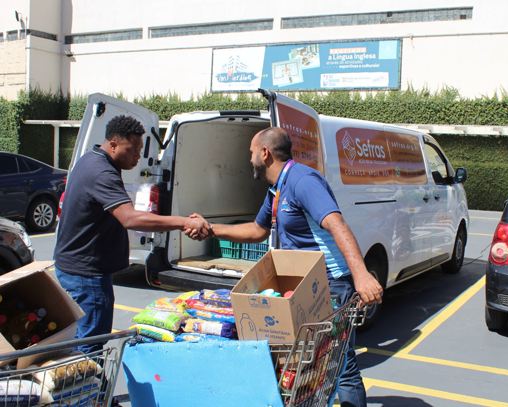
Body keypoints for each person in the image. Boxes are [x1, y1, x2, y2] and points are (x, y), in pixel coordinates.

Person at [192, 127, 383, 407]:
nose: (250, 159)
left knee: (339, 366)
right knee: (305, 366)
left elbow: (336, 224)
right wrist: (210, 229)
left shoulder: (303, 181)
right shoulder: (277, 189)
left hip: (329, 285)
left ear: (265, 153)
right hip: (303, 286)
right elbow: (257, 230)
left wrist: (362, 275)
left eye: (251, 153)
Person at [54, 115, 209, 353]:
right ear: (113, 144)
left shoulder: (90, 160)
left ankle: (84, 386)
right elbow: (130, 218)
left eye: (140, 148)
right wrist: (183, 222)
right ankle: (87, 389)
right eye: (133, 149)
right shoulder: (102, 172)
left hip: (77, 269)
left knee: (85, 338)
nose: (138, 156)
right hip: (87, 275)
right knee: (90, 343)